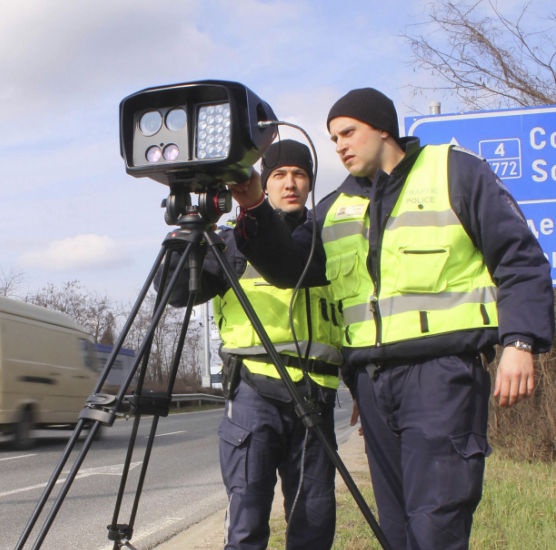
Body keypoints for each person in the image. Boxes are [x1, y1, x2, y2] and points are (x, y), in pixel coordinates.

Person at [227, 89, 554, 550]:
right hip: (373, 385)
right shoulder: (335, 208)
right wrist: (256, 205)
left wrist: (520, 342)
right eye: (332, 137)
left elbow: (520, 259)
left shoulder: (453, 172)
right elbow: (287, 270)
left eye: (347, 132)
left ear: (382, 127)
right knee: (397, 530)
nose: (338, 145)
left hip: (442, 374)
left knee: (436, 522)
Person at [155, 140, 343, 550]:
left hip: (317, 397)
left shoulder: (330, 242)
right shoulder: (234, 242)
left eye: (300, 174)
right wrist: (187, 237)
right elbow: (177, 294)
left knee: (314, 523)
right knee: (247, 522)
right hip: (254, 395)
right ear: (263, 182)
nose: (290, 183)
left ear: (311, 183)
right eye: (278, 175)